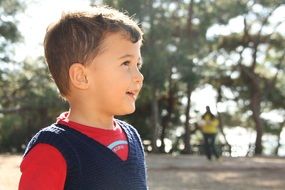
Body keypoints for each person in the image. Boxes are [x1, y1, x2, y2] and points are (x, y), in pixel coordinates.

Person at [19, 5, 147, 190]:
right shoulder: (52, 150)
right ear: (81, 76)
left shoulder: (132, 136)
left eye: (138, 64)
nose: (139, 76)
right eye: (126, 63)